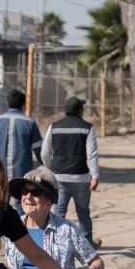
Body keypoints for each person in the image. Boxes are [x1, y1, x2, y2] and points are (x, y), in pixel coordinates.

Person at [42, 96, 102, 248]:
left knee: (59, 212)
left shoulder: (54, 127)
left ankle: (55, 244)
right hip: (81, 178)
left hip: (59, 178)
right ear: (80, 110)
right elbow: (92, 154)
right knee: (83, 212)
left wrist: (51, 169)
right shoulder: (87, 128)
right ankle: (87, 245)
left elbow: (45, 152)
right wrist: (95, 175)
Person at [0, 90, 43, 213]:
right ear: (24, 105)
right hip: (22, 173)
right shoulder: (30, 122)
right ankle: (20, 230)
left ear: (7, 103)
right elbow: (39, 151)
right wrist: (45, 168)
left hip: (0, 171)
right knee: (22, 205)